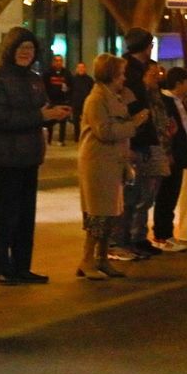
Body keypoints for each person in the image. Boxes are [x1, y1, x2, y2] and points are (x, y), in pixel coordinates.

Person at [0, 27, 70, 284]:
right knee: (7, 216)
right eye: (21, 48)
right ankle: (2, 268)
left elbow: (40, 112)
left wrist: (54, 115)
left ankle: (22, 267)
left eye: (30, 48)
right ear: (10, 49)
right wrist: (40, 116)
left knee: (26, 217)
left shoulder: (34, 79)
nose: (26, 53)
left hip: (30, 157)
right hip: (6, 158)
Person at [75, 53, 149, 279]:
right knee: (98, 214)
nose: (124, 79)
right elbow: (104, 131)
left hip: (113, 162)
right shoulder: (96, 100)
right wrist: (134, 124)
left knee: (110, 214)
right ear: (111, 75)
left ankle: (102, 258)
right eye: (120, 75)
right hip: (98, 163)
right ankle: (87, 260)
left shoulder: (114, 97)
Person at [111, 29, 161, 260]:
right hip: (133, 139)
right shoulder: (129, 72)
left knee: (144, 194)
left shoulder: (144, 69)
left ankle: (136, 238)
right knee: (130, 195)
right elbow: (129, 108)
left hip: (145, 137)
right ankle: (121, 241)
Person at [125, 60, 172, 257]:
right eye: (152, 74)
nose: (156, 78)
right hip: (144, 147)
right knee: (140, 195)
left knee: (149, 194)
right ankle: (133, 236)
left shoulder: (156, 96)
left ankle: (140, 236)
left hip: (157, 146)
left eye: (158, 74)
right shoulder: (139, 96)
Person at [153, 67, 187, 250]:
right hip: (170, 156)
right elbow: (167, 131)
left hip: (180, 155)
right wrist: (169, 153)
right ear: (179, 84)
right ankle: (162, 236)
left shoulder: (180, 102)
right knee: (166, 196)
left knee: (172, 195)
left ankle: (166, 234)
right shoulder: (165, 102)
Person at [44, 54, 72, 146]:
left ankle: (61, 140)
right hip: (51, 100)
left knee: (63, 120)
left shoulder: (66, 73)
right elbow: (44, 86)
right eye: (56, 60)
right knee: (50, 120)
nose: (58, 62)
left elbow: (71, 85)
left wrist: (67, 90)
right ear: (53, 62)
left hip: (62, 100)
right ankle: (49, 139)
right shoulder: (48, 73)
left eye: (60, 61)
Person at [68, 60, 94, 143]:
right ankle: (77, 137)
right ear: (77, 69)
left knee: (86, 122)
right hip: (76, 103)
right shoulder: (73, 79)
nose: (81, 69)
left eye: (82, 67)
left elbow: (92, 91)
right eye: (79, 67)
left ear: (85, 69)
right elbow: (70, 91)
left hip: (86, 103)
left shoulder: (89, 80)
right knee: (76, 122)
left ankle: (86, 137)